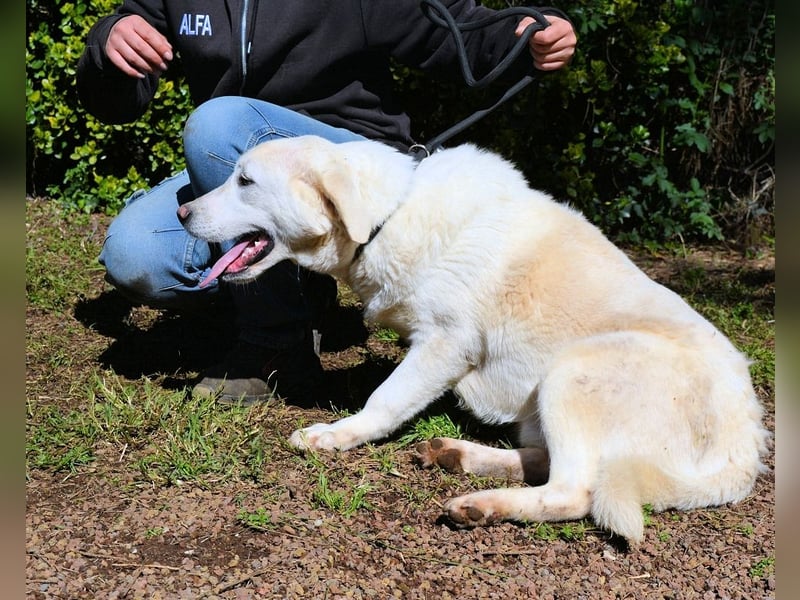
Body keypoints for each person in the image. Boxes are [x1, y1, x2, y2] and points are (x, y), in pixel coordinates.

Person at [77, 0, 577, 404]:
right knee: (134, 254)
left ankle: (273, 346)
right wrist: (110, 40)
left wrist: (528, 35)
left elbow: (455, 33)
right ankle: (296, 288)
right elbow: (117, 104)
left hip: (345, 166)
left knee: (217, 124)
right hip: (246, 175)